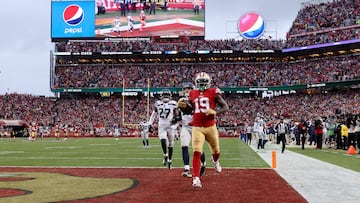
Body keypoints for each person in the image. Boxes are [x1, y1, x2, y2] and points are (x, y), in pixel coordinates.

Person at [179, 72, 229, 188]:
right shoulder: (192, 93)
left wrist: (215, 112)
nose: (202, 85)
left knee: (216, 151)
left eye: (204, 83)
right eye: (200, 83)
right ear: (196, 83)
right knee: (197, 151)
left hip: (210, 126)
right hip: (197, 126)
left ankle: (215, 161)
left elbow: (225, 107)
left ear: (209, 83)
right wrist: (184, 108)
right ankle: (196, 178)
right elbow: (191, 109)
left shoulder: (214, 92)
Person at [177, 82, 206, 178]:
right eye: (185, 89)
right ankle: (186, 169)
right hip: (185, 127)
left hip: (196, 127)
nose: (186, 90)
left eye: (188, 88)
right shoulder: (181, 100)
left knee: (198, 149)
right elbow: (179, 114)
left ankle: (203, 163)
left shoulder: (197, 100)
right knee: (184, 146)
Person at [148, 89, 178, 169]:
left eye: (166, 95)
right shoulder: (158, 103)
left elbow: (177, 115)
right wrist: (150, 123)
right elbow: (154, 114)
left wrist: (176, 123)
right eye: (164, 95)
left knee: (171, 144)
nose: (165, 97)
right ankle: (165, 154)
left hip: (170, 126)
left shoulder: (173, 104)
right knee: (163, 140)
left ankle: (170, 160)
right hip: (162, 125)